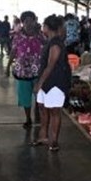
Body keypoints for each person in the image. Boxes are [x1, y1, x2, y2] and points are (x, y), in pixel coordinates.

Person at [32, 15, 71, 152]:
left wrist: (39, 83)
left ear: (48, 28)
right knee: (43, 109)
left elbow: (50, 65)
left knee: (54, 112)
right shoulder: (49, 41)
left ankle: (54, 140)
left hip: (55, 83)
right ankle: (43, 136)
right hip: (46, 82)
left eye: (44, 26)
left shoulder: (55, 44)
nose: (42, 28)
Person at [7, 11, 46, 128]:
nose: (29, 23)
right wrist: (8, 66)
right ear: (22, 22)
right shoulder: (17, 36)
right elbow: (13, 51)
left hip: (38, 71)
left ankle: (38, 115)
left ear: (35, 21)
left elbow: (47, 48)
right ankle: (28, 118)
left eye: (31, 21)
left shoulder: (40, 35)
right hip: (22, 71)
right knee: (25, 96)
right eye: (26, 21)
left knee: (39, 95)